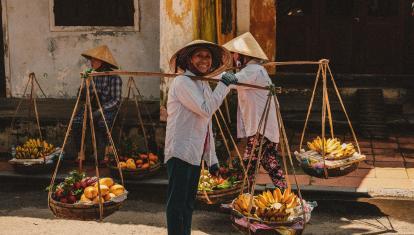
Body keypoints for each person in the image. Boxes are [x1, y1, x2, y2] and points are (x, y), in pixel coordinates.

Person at [165, 40, 236, 235]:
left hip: (194, 153)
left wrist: (211, 160)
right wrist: (224, 86)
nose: (204, 60)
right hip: (180, 151)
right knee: (176, 203)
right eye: (199, 56)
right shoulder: (182, 82)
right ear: (189, 60)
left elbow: (206, 125)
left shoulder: (202, 83)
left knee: (188, 203)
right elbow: (206, 109)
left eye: (207, 56)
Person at [222, 32, 287, 190]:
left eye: (236, 56)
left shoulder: (254, 70)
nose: (234, 59)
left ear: (244, 56)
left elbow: (234, 81)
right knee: (269, 162)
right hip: (264, 127)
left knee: (248, 164)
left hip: (262, 128)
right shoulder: (253, 70)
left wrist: (217, 74)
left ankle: (240, 197)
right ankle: (286, 192)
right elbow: (235, 81)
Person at [72, 45, 122, 165]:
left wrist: (100, 111)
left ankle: (107, 153)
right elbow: (85, 94)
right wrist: (83, 88)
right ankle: (82, 152)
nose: (91, 62)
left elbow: (116, 100)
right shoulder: (92, 75)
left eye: (94, 60)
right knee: (77, 122)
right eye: (91, 60)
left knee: (102, 124)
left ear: (103, 62)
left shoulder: (114, 78)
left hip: (108, 107)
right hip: (92, 106)